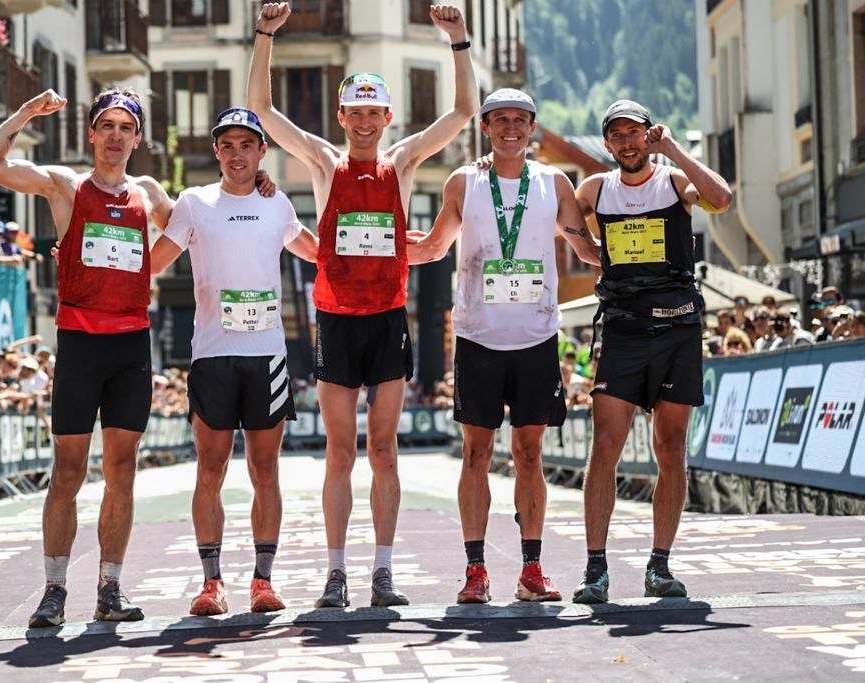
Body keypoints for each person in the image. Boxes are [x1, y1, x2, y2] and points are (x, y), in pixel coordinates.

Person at [248, 1, 479, 608]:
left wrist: (458, 41)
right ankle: (335, 572)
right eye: (355, 113)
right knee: (340, 452)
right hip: (336, 321)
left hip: (385, 322)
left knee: (384, 450)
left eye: (374, 113)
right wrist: (266, 35)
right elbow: (264, 111)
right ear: (343, 115)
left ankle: (382, 572)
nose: (365, 123)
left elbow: (461, 113)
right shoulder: (325, 162)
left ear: (387, 115)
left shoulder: (402, 163)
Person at [0, 86, 176, 628]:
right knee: (67, 471)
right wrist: (23, 111)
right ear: (92, 133)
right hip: (81, 344)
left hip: (131, 344)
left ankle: (110, 586)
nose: (115, 136)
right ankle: (55, 588)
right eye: (105, 126)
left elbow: (195, 228)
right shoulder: (66, 185)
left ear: (137, 137)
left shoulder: (147, 190)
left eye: (125, 127)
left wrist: (259, 185)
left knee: (123, 472)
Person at [407, 89, 600, 604]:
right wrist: (380, 244)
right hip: (478, 338)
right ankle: (476, 571)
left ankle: (532, 569)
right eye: (500, 120)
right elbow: (431, 248)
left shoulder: (554, 182)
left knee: (530, 453)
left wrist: (637, 246)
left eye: (520, 120)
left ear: (532, 127)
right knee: (476, 454)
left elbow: (584, 247)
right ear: (486, 128)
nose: (511, 128)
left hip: (536, 338)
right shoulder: (463, 182)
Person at [149, 107, 318, 616]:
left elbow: (316, 252)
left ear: (262, 151)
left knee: (266, 469)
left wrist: (383, 250)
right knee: (211, 470)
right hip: (213, 355)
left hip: (265, 356)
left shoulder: (278, 202)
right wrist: (82, 260)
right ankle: (211, 583)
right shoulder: (195, 203)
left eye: (248, 144)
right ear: (217, 151)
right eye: (228, 145)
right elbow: (154, 261)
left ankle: (263, 580)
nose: (238, 153)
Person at [573, 99, 732, 603]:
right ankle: (595, 570)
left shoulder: (671, 180)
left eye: (635, 133)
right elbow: (559, 213)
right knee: (606, 447)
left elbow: (721, 199)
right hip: (622, 330)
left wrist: (675, 150)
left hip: (678, 330)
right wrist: (585, 249)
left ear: (648, 136)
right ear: (607, 143)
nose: (627, 142)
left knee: (670, 447)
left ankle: (659, 566)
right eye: (616, 134)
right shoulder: (596, 188)